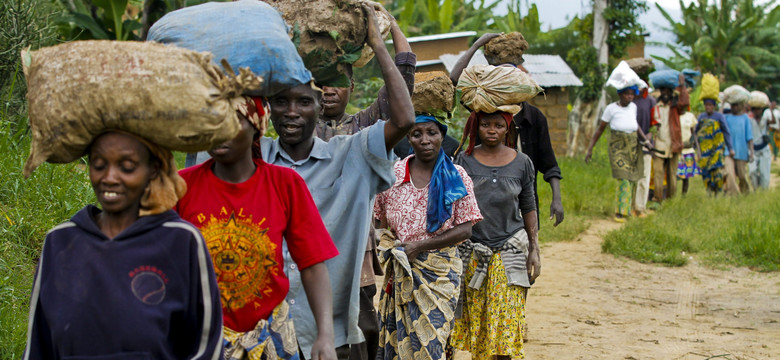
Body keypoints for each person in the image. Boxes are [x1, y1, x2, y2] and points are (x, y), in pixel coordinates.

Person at [261, 5, 415, 359]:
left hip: (331, 336)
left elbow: (404, 118)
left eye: (303, 101)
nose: (292, 111)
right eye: (281, 101)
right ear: (268, 107)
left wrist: (377, 43)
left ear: (318, 105)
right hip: (267, 332)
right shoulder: (259, 157)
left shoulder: (353, 155)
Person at [25, 131, 223, 359]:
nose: (109, 177)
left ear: (153, 170)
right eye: (99, 165)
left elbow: (206, 348)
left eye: (127, 167)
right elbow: (37, 347)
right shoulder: (59, 242)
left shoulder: (182, 241)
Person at [176, 97, 339, 360]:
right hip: (201, 340)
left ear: (256, 125)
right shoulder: (181, 186)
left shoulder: (285, 185)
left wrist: (326, 336)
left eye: (231, 121)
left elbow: (312, 265)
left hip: (271, 339)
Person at [313, 9, 415, 360]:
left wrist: (388, 28)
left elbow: (402, 78)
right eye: (321, 81)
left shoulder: (364, 127)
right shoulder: (295, 130)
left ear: (352, 87)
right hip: (307, 245)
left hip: (355, 250)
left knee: (362, 332)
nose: (328, 90)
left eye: (337, 82)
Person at [374, 116, 482, 360]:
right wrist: (388, 247)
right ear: (408, 138)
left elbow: (465, 229)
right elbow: (379, 222)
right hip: (400, 271)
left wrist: (421, 246)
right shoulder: (393, 174)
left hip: (439, 274)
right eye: (416, 134)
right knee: (396, 344)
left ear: (442, 136)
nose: (425, 140)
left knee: (431, 344)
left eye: (431, 132)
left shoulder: (456, 175)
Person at [450, 111, 541, 360]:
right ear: (476, 128)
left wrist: (534, 249)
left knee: (505, 324)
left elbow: (529, 206)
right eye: (486, 124)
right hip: (474, 250)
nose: (492, 130)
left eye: (499, 125)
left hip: (510, 248)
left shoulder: (522, 162)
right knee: (480, 322)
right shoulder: (464, 160)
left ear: (507, 129)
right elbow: (455, 204)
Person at [450, 32, 564, 228]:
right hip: (483, 208)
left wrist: (557, 199)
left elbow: (549, 163)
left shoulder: (534, 118)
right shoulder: (481, 111)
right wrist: (477, 44)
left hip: (521, 205)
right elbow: (454, 79)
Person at [585, 86, 652, 222]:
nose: (630, 97)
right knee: (623, 178)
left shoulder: (633, 107)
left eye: (632, 94)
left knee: (633, 178)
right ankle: (620, 212)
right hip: (618, 148)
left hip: (632, 146)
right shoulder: (611, 109)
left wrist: (645, 140)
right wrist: (590, 148)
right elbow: (600, 130)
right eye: (627, 94)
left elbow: (636, 125)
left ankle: (629, 209)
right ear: (620, 95)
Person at [695, 98, 733, 195]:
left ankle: (718, 192)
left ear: (714, 106)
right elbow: (695, 134)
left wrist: (730, 148)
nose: (708, 107)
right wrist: (697, 150)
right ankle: (709, 193)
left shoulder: (719, 117)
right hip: (704, 150)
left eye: (710, 105)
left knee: (717, 172)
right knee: (706, 173)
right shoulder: (701, 117)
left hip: (717, 149)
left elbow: (726, 132)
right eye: (706, 105)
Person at [633, 82, 657, 214]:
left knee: (644, 176)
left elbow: (655, 122)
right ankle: (629, 205)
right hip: (632, 143)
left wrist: (649, 135)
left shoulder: (651, 101)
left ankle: (640, 207)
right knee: (632, 175)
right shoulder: (631, 102)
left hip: (647, 144)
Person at [724, 101, 754, 194]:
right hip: (728, 151)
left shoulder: (745, 118)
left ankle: (746, 193)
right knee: (729, 174)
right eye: (733, 105)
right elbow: (719, 117)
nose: (734, 107)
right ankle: (733, 195)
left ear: (741, 106)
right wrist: (723, 102)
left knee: (742, 176)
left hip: (741, 151)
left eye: (736, 105)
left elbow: (749, 137)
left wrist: (751, 152)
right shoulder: (727, 117)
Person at [677, 106, 700, 195]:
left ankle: (684, 195)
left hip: (688, 150)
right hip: (677, 149)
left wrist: (697, 148)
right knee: (676, 174)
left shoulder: (690, 116)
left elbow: (693, 133)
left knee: (686, 176)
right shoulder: (675, 115)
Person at [749, 101, 772, 190]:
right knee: (752, 171)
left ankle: (763, 192)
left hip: (764, 149)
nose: (758, 111)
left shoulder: (765, 120)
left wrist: (770, 109)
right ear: (753, 111)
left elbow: (772, 121)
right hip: (753, 150)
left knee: (764, 173)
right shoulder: (750, 121)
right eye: (756, 109)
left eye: (759, 109)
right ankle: (755, 189)